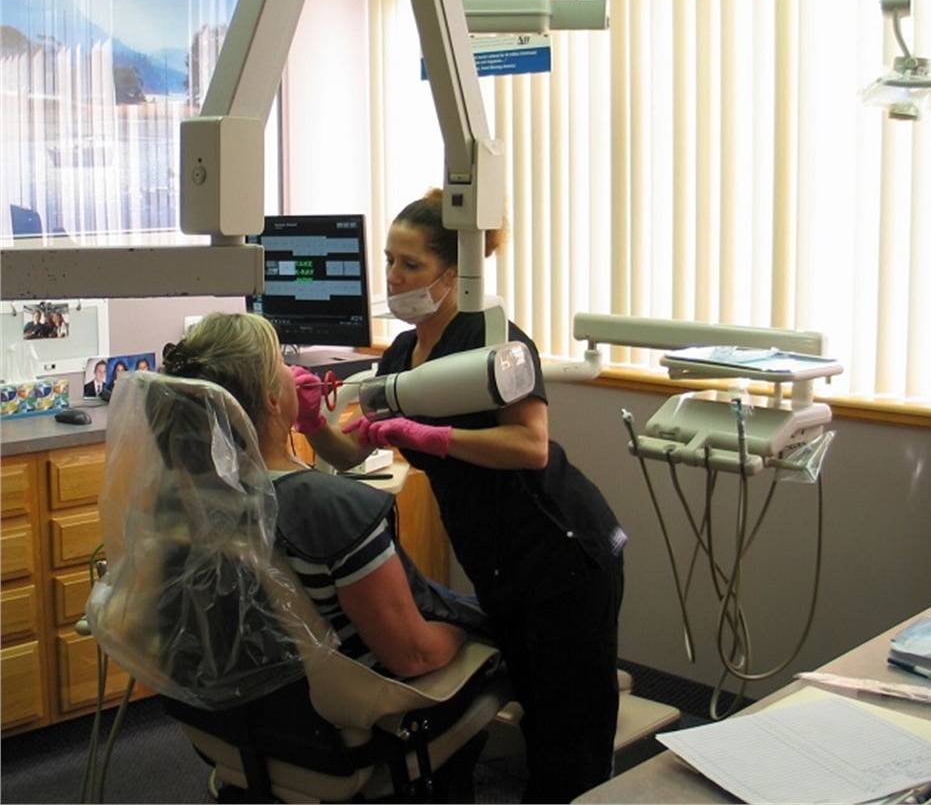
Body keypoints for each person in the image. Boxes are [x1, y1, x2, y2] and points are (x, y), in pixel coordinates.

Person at [302, 189, 628, 804]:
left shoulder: (498, 342)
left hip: (564, 553)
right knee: (531, 703)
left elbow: (532, 446)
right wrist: (311, 420)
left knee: (569, 735)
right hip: (498, 558)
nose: (394, 278)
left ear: (454, 274)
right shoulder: (401, 354)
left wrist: (435, 436)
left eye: (411, 265)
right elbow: (351, 453)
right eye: (389, 261)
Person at [158, 312, 470, 681]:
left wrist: (318, 425)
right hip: (355, 711)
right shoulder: (333, 511)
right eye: (283, 363)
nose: (294, 371)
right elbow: (414, 656)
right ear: (272, 399)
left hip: (246, 715)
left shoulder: (186, 496)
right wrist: (469, 632)